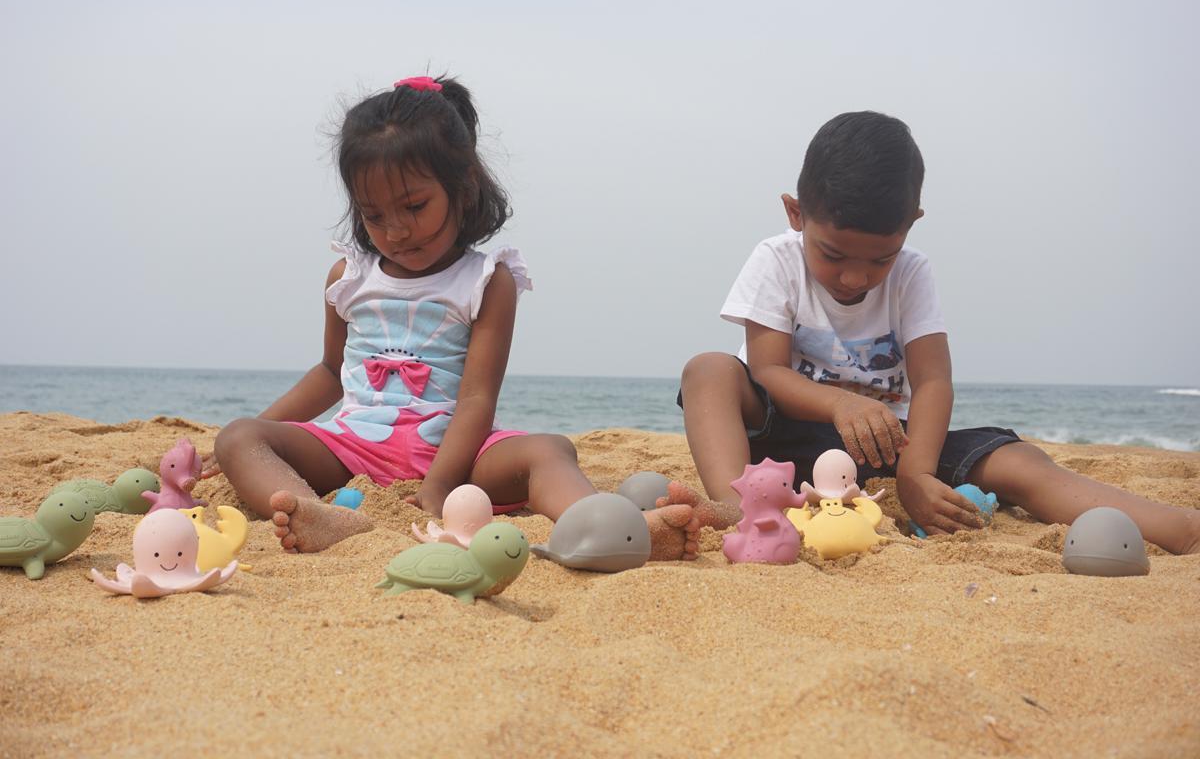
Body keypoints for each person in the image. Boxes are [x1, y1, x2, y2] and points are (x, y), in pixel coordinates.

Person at [207, 75, 699, 558]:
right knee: (239, 437)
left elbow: (478, 395)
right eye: (373, 214)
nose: (396, 230)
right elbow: (331, 373)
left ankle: (609, 527)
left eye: (414, 205)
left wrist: (440, 483)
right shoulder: (349, 275)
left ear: (462, 188)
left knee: (549, 449)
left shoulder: (486, 280)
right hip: (352, 448)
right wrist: (261, 424)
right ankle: (322, 516)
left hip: (461, 456)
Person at [668, 111, 1200, 554]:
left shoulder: (913, 273)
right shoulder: (775, 260)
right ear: (796, 213)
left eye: (880, 259)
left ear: (911, 224)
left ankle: (1180, 528)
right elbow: (766, 370)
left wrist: (916, 474)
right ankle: (743, 511)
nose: (855, 277)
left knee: (1017, 459)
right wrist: (839, 404)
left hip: (889, 447)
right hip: (783, 442)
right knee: (708, 369)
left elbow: (932, 382)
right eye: (832, 256)